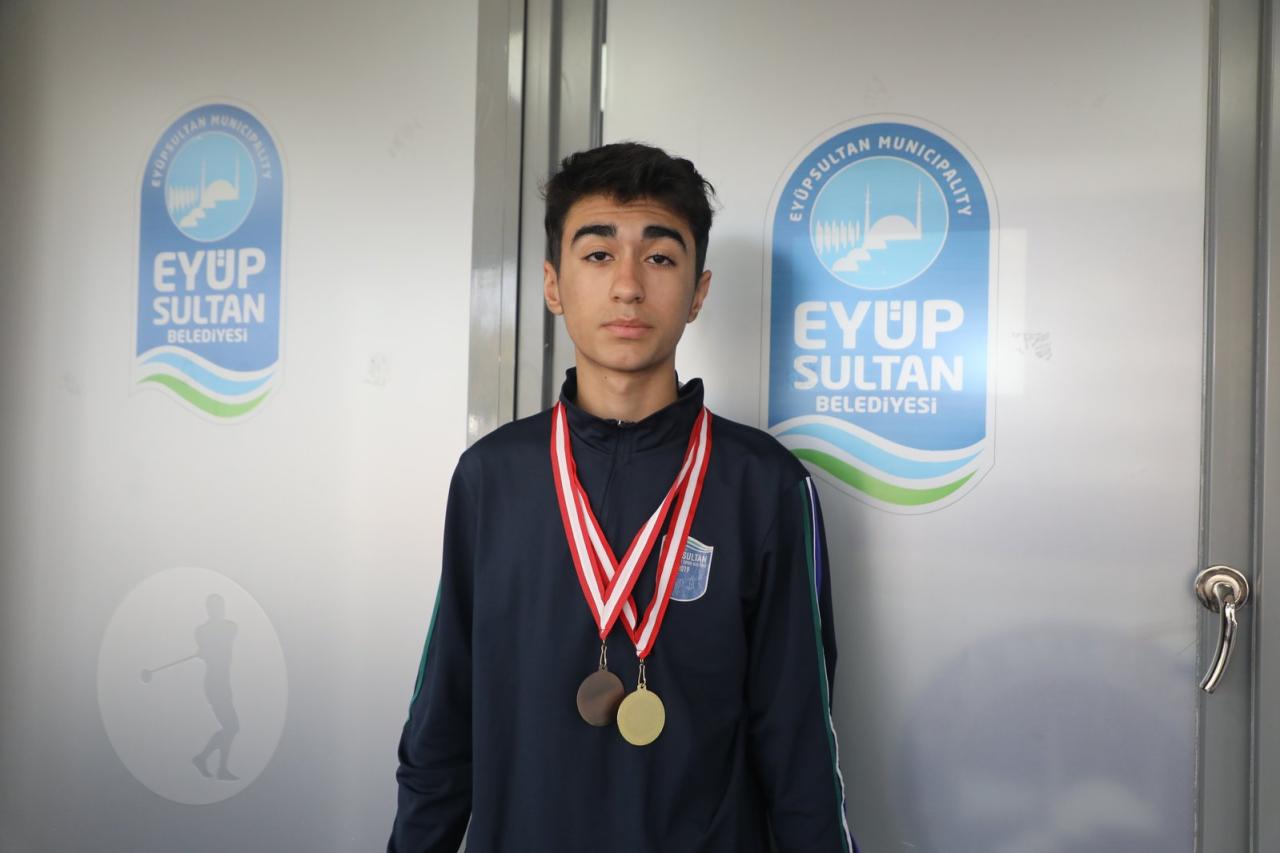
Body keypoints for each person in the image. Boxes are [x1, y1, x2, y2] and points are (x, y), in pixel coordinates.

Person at [389, 142, 854, 852]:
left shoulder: (764, 484)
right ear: (553, 284)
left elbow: (800, 749)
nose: (629, 286)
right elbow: (442, 723)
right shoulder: (492, 477)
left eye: (660, 257)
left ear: (698, 292)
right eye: (599, 254)